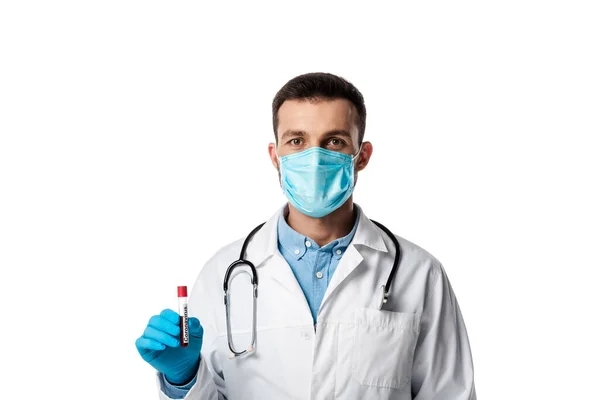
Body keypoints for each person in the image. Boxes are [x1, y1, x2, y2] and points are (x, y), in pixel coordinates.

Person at [135, 72, 477, 399]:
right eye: (297, 141)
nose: (315, 159)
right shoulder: (222, 274)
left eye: (334, 141)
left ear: (362, 157)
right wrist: (183, 379)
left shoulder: (419, 274)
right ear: (276, 157)